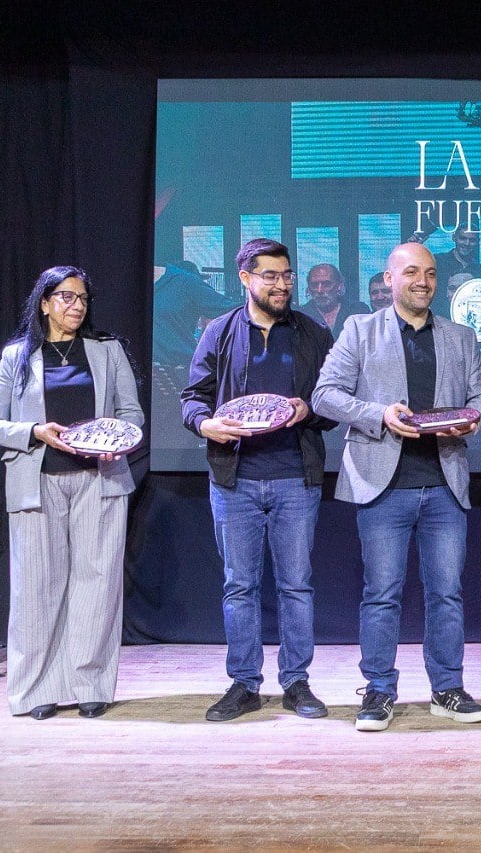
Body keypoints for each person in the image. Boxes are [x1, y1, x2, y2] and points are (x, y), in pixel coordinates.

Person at [312, 243, 481, 732]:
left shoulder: (461, 335)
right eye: (411, 272)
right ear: (389, 280)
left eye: (430, 274)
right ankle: (378, 691)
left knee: (447, 594)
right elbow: (324, 395)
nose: (423, 281)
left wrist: (471, 421)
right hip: (382, 485)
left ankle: (447, 689)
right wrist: (380, 415)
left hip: (444, 482)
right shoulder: (359, 329)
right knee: (382, 594)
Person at [0, 265, 143, 720]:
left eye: (83, 298)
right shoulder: (17, 357)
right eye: (66, 297)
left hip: (99, 480)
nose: (77, 306)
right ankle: (36, 691)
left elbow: (132, 415)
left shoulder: (106, 352)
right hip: (38, 482)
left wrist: (117, 439)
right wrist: (34, 431)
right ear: (45, 303)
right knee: (36, 589)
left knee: (97, 583)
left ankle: (90, 683)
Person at [180, 238, 337, 722]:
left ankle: (296, 682)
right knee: (239, 586)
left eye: (287, 275)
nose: (282, 284)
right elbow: (192, 398)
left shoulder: (311, 333)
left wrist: (309, 407)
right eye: (270, 275)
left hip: (296, 477)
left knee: (296, 586)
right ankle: (244, 683)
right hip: (235, 478)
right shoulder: (221, 332)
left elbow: (333, 404)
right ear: (245, 278)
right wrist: (206, 424)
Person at [302, 263, 366, 338]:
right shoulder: (300, 316)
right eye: (314, 285)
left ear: (339, 285)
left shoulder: (357, 310)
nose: (320, 290)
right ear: (309, 288)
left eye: (326, 284)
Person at [433, 225, 481, 319]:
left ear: (478, 241)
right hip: (440, 320)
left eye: (472, 240)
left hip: (464, 318)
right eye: (463, 238)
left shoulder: (476, 266)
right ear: (454, 238)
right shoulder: (438, 261)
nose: (467, 243)